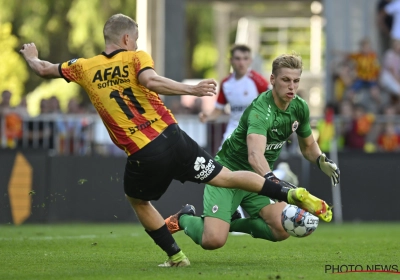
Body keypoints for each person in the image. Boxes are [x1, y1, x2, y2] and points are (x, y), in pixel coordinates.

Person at [20, 14, 332, 267]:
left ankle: (176, 255)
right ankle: (288, 193)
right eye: (137, 38)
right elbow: (150, 80)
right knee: (225, 177)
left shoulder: (84, 67)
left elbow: (45, 69)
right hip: (174, 136)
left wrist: (32, 57)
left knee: (139, 200)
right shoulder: (135, 57)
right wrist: (191, 89)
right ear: (127, 39)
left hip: (144, 151)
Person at [164, 53, 340, 250]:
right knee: (213, 241)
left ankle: (230, 222)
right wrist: (274, 183)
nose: (292, 86)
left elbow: (308, 147)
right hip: (228, 175)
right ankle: (184, 218)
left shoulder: (300, 107)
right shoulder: (260, 111)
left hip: (257, 179)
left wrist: (320, 160)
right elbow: (255, 155)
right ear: (272, 80)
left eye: (296, 81)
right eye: (285, 80)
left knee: (282, 229)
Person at [199, 44, 269, 224]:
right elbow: (219, 110)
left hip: (255, 132)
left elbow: (272, 105)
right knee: (223, 170)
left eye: (245, 59)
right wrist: (207, 116)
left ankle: (280, 177)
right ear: (231, 60)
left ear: (250, 61)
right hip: (232, 133)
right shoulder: (226, 84)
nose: (241, 63)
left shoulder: (259, 82)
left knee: (254, 169)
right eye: (237, 59)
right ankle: (234, 215)